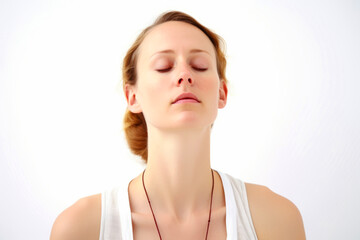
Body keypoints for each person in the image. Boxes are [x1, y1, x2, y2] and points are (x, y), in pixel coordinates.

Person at [50, 11, 306, 240]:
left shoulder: (275, 220)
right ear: (133, 97)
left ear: (222, 93)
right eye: (164, 67)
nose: (185, 75)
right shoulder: (81, 229)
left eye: (200, 65)